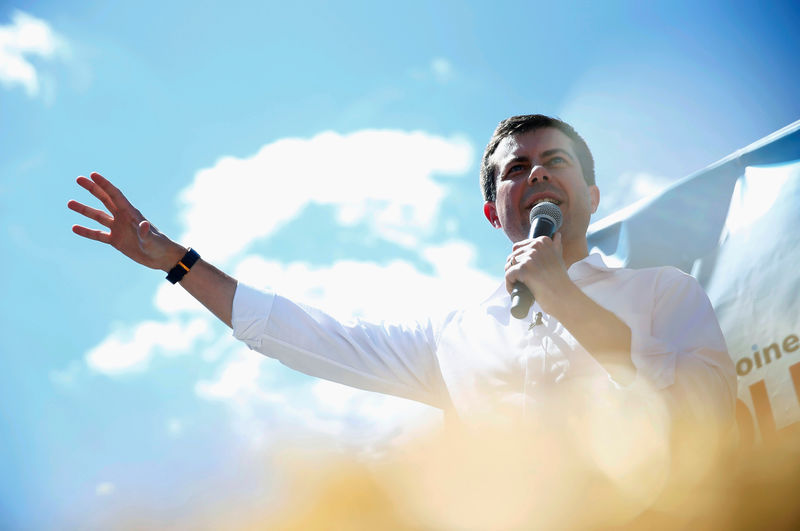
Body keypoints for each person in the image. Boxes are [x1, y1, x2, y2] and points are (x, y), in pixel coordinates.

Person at [68, 114, 736, 431]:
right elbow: (311, 335)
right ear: (491, 210)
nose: (535, 172)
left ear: (592, 193)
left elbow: (708, 428)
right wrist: (179, 263)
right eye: (514, 169)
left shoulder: (663, 294)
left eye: (555, 161)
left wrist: (564, 296)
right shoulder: (456, 335)